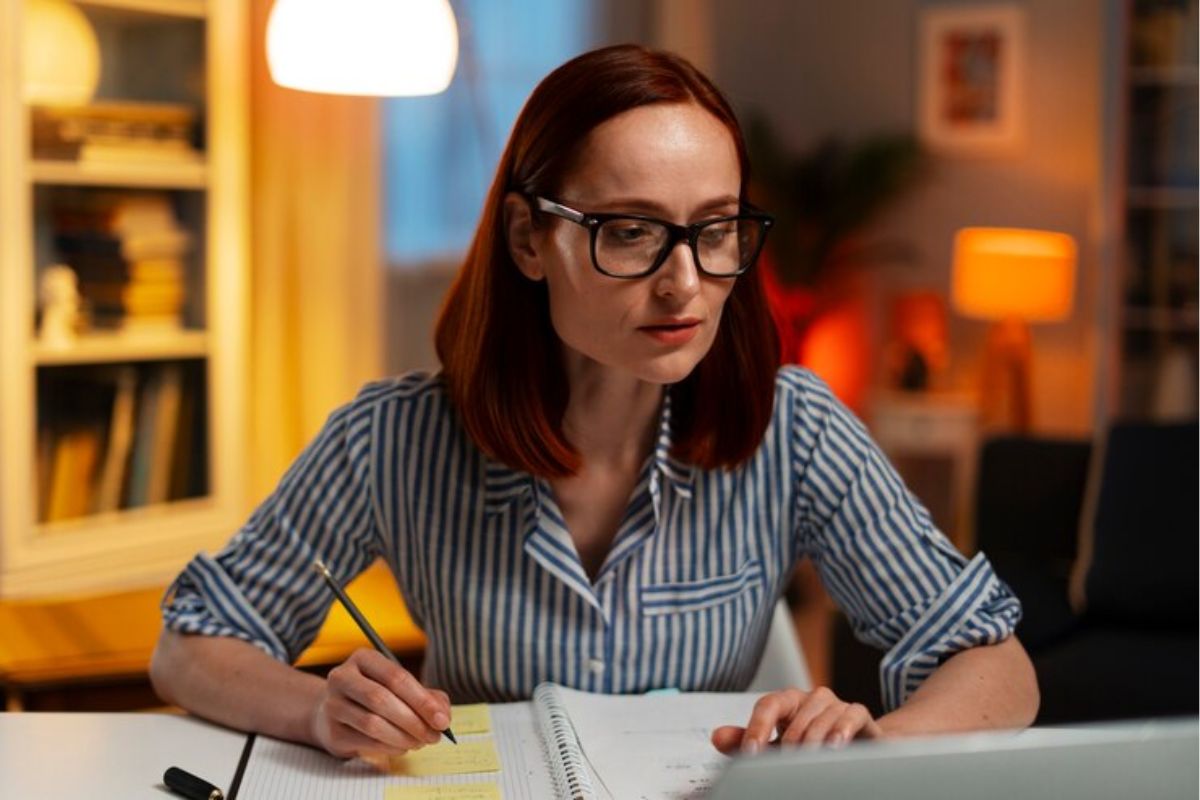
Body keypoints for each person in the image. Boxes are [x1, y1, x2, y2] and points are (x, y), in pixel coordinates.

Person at [150, 44, 1038, 761]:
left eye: (716, 228)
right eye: (632, 232)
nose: (684, 284)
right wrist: (318, 710)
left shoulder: (794, 428)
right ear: (529, 240)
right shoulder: (392, 439)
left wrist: (874, 749)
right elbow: (190, 648)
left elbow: (996, 664)